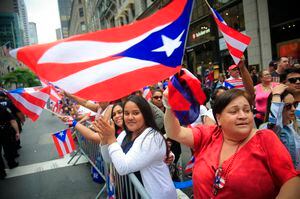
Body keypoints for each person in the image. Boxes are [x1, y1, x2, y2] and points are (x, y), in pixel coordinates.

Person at [164, 88, 300, 198]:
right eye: (234, 111)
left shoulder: (265, 139)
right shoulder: (209, 135)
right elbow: (174, 132)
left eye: (247, 110)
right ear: (219, 118)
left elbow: (291, 181)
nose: (242, 115)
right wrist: (169, 106)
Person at [98, 95, 177, 199]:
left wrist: (111, 139)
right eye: (126, 113)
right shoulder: (125, 134)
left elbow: (123, 167)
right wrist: (105, 138)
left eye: (136, 113)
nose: (130, 117)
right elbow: (108, 159)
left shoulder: (152, 137)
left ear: (145, 115)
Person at [263, 84, 300, 170]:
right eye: (288, 106)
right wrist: (276, 96)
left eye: (295, 104)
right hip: (285, 178)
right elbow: (274, 124)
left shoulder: (298, 124)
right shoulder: (267, 129)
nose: (293, 109)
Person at [0, 105, 20, 179]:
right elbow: (13, 121)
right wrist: (17, 132)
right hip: (4, 131)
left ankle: (1, 173)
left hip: (4, 130)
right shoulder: (3, 108)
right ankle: (11, 164)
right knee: (8, 148)